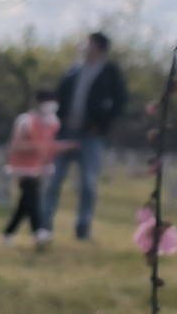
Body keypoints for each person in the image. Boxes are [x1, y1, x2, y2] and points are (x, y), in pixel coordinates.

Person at [39, 31, 128, 242]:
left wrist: (101, 124)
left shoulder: (109, 73)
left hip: (91, 136)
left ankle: (83, 226)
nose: (85, 47)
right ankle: (44, 226)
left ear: (99, 48)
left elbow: (120, 102)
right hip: (65, 132)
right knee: (53, 180)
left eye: (89, 44)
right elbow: (58, 97)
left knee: (88, 183)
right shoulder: (73, 71)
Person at [2, 88, 75, 247]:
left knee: (25, 204)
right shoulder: (25, 121)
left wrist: (66, 146)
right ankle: (39, 231)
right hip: (22, 167)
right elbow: (15, 146)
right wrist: (36, 146)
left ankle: (8, 233)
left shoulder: (53, 122)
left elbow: (48, 146)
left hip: (39, 167)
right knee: (33, 199)